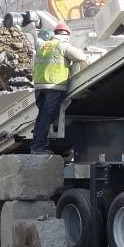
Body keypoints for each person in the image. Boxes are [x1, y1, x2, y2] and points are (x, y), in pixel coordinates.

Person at [30, 22, 87, 154]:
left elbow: (35, 38)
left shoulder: (42, 45)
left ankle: (35, 146)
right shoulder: (63, 45)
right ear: (67, 35)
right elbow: (81, 56)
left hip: (39, 86)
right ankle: (39, 147)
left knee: (41, 116)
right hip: (54, 85)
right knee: (47, 116)